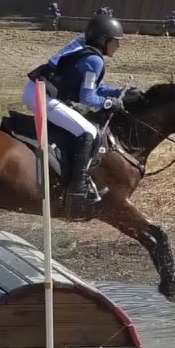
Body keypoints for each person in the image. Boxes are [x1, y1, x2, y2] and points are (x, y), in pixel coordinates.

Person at [24, 13, 127, 213]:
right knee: (89, 132)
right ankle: (77, 190)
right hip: (42, 96)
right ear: (103, 40)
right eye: (116, 41)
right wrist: (110, 102)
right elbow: (88, 98)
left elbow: (95, 87)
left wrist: (118, 92)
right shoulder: (94, 60)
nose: (118, 46)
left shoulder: (86, 49)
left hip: (38, 89)